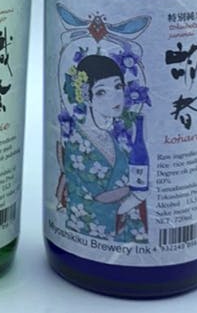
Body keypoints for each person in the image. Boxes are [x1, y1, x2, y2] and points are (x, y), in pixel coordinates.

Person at [59, 54, 146, 242]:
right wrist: (136, 192)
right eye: (101, 92)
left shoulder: (115, 137)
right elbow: (99, 196)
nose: (115, 97)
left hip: (124, 224)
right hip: (93, 225)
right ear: (87, 97)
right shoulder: (77, 142)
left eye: (118, 86)